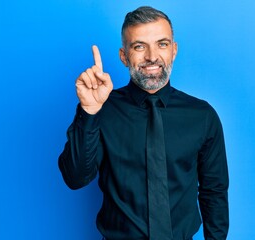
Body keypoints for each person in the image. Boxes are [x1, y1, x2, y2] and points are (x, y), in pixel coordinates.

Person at [58, 6, 229, 240]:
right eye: (139, 46)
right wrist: (89, 112)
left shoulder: (202, 115)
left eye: (162, 44)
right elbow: (75, 178)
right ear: (124, 56)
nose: (151, 56)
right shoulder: (102, 109)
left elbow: (214, 191)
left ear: (174, 50)